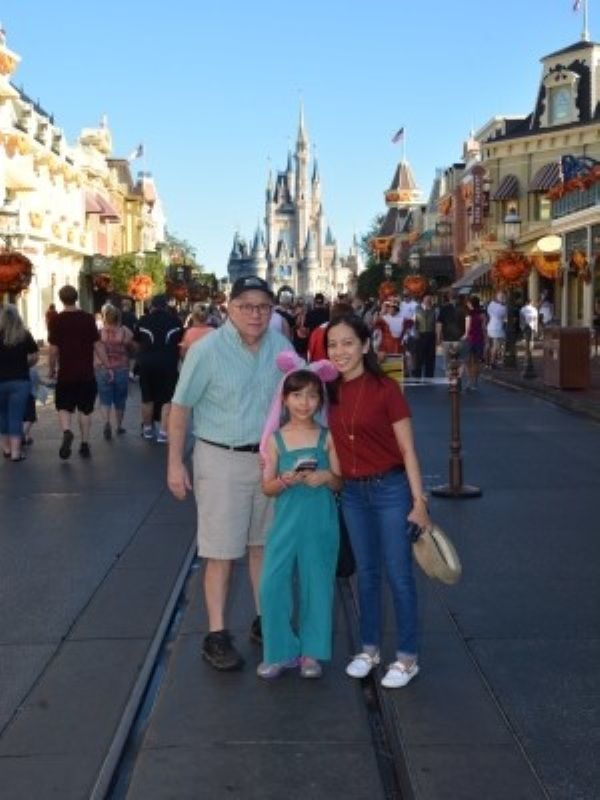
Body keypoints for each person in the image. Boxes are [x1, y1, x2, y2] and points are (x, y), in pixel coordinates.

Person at [167, 275, 290, 671]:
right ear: (229, 307)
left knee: (263, 546)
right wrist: (174, 464)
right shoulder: (207, 350)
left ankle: (265, 621)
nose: (255, 314)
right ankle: (216, 635)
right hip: (220, 458)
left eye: (263, 307)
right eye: (246, 306)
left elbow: (302, 399)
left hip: (268, 461)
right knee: (220, 552)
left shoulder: (281, 347)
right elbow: (181, 408)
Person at [326, 314, 430, 689]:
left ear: (365, 345)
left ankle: (406, 657)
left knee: (399, 575)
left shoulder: (386, 388)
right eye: (333, 344)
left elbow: (407, 449)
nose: (340, 351)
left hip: (390, 490)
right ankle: (369, 649)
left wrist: (419, 502)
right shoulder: (330, 392)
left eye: (347, 343)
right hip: (353, 493)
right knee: (366, 575)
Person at [257, 359, 341, 679]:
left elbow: (340, 480)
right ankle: (279, 651)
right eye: (297, 395)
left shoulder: (327, 437)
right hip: (285, 522)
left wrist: (325, 476)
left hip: (320, 520)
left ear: (320, 400)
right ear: (285, 399)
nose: (304, 403)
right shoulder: (275, 440)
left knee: (317, 583)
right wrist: (284, 481)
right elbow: (267, 487)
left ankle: (311, 652)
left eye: (311, 396)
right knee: (271, 584)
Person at [48, 285, 111, 460]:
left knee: (63, 406)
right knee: (85, 410)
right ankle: (84, 444)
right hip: (86, 374)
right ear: (76, 298)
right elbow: (97, 345)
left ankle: (67, 431)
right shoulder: (88, 319)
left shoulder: (56, 320)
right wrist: (107, 365)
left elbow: (53, 349)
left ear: (61, 299)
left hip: (66, 373)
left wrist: (51, 369)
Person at [134, 294, 183, 443]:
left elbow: (136, 343)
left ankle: (148, 430)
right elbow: (180, 343)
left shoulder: (143, 320)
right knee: (167, 399)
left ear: (152, 306)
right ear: (166, 306)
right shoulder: (175, 321)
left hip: (147, 363)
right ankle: (163, 432)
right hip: (168, 363)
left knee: (147, 397)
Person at [0, 305, 39, 462]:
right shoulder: (24, 334)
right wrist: (27, 365)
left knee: (2, 415)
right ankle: (16, 453)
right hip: (20, 381)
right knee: (15, 416)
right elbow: (35, 355)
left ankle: (6, 449)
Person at [95, 304, 135, 439]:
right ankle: (119, 426)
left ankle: (106, 422)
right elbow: (132, 348)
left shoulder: (100, 332)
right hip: (121, 369)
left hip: (103, 369)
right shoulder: (125, 332)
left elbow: (94, 350)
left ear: (105, 317)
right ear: (118, 317)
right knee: (120, 399)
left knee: (104, 399)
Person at [436, 291, 465, 376]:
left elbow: (439, 324)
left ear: (449, 299)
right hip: (458, 339)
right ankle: (457, 379)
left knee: (447, 362)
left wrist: (438, 337)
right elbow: (468, 323)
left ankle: (450, 380)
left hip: (447, 339)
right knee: (459, 360)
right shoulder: (463, 308)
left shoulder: (444, 308)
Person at [462, 295, 486, 391]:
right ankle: (475, 382)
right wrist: (486, 339)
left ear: (470, 303)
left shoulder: (468, 314)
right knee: (476, 361)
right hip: (479, 338)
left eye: (468, 303)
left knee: (467, 362)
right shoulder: (482, 314)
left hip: (469, 339)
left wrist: (464, 336)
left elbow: (466, 328)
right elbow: (484, 328)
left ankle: (469, 381)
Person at [413, 293, 437, 378]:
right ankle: (417, 375)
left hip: (431, 335)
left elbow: (436, 323)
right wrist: (416, 333)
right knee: (419, 357)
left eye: (429, 299)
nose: (428, 300)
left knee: (430, 356)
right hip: (420, 335)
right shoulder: (417, 309)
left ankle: (429, 375)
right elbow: (414, 322)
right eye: (427, 298)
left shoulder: (434, 309)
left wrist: (437, 336)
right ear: (423, 299)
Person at [485, 290, 508, 368]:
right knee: (496, 346)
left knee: (489, 345)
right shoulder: (503, 307)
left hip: (490, 326)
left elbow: (488, 312)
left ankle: (487, 362)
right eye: (503, 297)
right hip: (497, 327)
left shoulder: (491, 304)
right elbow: (505, 317)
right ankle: (492, 362)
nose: (504, 298)